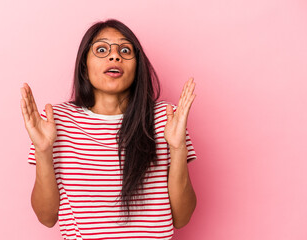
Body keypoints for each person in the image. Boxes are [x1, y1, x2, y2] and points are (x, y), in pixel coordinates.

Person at [20, 19, 197, 240]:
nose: (115, 56)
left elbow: (182, 218)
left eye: (125, 50)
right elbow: (47, 217)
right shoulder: (56, 121)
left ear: (137, 66)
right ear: (84, 66)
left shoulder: (167, 117)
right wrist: (43, 151)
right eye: (101, 50)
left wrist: (178, 148)